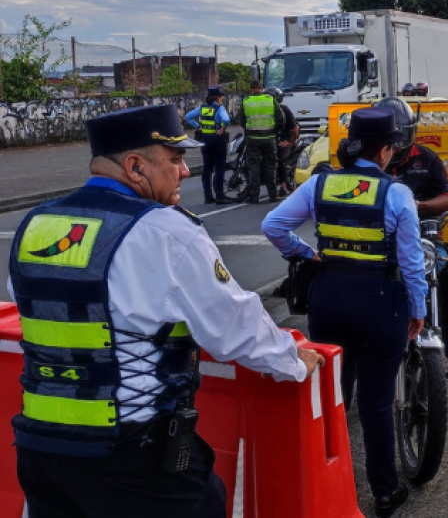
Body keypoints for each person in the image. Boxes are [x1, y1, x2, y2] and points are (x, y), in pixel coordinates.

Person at [9, 104, 322, 517]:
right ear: (136, 166)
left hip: (41, 451)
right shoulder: (165, 231)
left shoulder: (37, 223)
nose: (185, 171)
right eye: (174, 160)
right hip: (133, 455)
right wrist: (292, 360)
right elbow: (233, 327)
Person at [262, 107, 426, 516]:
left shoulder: (319, 184)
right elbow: (410, 264)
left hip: (329, 298)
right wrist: (418, 310)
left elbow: (273, 226)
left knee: (329, 398)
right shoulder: (397, 193)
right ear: (386, 151)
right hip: (380, 304)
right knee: (375, 404)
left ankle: (322, 487)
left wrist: (307, 254)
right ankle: (385, 493)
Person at [376, 97, 448, 419]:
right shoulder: (368, 163)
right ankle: (346, 386)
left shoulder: (426, 158)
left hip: (425, 244)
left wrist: (415, 208)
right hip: (378, 247)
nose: (392, 147)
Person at [184, 86, 233, 204]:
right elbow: (226, 120)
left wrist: (197, 127)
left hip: (205, 140)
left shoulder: (202, 108)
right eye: (221, 96)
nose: (222, 98)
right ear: (217, 97)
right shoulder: (219, 108)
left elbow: (187, 117)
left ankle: (208, 196)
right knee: (219, 169)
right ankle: (220, 196)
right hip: (217, 140)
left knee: (207, 169)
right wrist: (223, 128)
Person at [240, 80, 285, 203]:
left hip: (252, 139)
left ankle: (254, 196)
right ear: (262, 88)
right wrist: (275, 131)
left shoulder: (246, 101)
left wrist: (251, 130)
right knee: (270, 166)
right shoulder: (270, 100)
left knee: (253, 167)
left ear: (251, 89)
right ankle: (272, 195)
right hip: (269, 138)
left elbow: (242, 121)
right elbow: (281, 119)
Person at [267, 87, 300, 198]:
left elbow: (295, 128)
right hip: (269, 141)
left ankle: (283, 186)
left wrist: (290, 142)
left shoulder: (284, 110)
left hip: (282, 141)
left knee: (281, 159)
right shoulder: (265, 112)